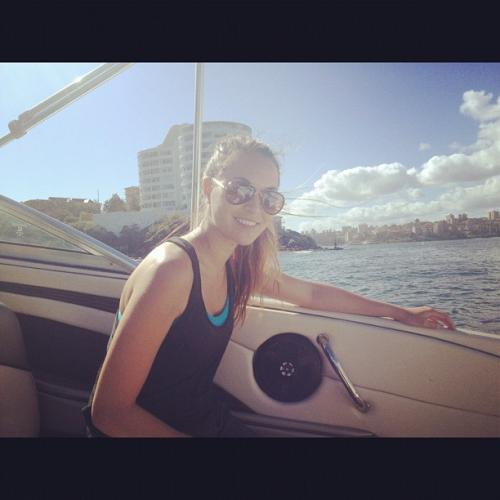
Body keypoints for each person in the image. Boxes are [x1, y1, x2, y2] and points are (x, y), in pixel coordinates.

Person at [85, 135, 455, 438]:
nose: (255, 207)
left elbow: (311, 294)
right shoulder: (171, 271)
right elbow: (110, 414)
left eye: (269, 197)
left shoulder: (233, 265)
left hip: (200, 419)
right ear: (208, 189)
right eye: (240, 190)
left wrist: (400, 312)